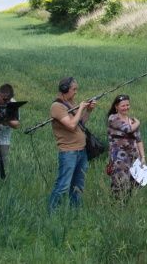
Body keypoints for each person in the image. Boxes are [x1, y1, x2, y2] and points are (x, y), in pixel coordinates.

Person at [48, 76, 96, 212]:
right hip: (68, 151)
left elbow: (80, 123)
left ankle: (75, 212)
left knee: (78, 185)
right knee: (63, 185)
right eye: (74, 89)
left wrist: (88, 110)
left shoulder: (71, 103)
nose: (76, 92)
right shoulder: (57, 106)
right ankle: (52, 212)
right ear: (65, 89)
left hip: (81, 151)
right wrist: (80, 107)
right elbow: (71, 125)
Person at [105, 94, 145, 198]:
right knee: (120, 183)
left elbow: (139, 140)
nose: (126, 107)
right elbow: (128, 129)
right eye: (123, 105)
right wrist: (138, 123)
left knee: (133, 185)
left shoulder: (132, 121)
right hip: (119, 159)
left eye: (127, 105)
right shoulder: (113, 119)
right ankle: (116, 206)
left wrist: (142, 157)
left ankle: (126, 206)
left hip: (133, 158)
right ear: (116, 107)